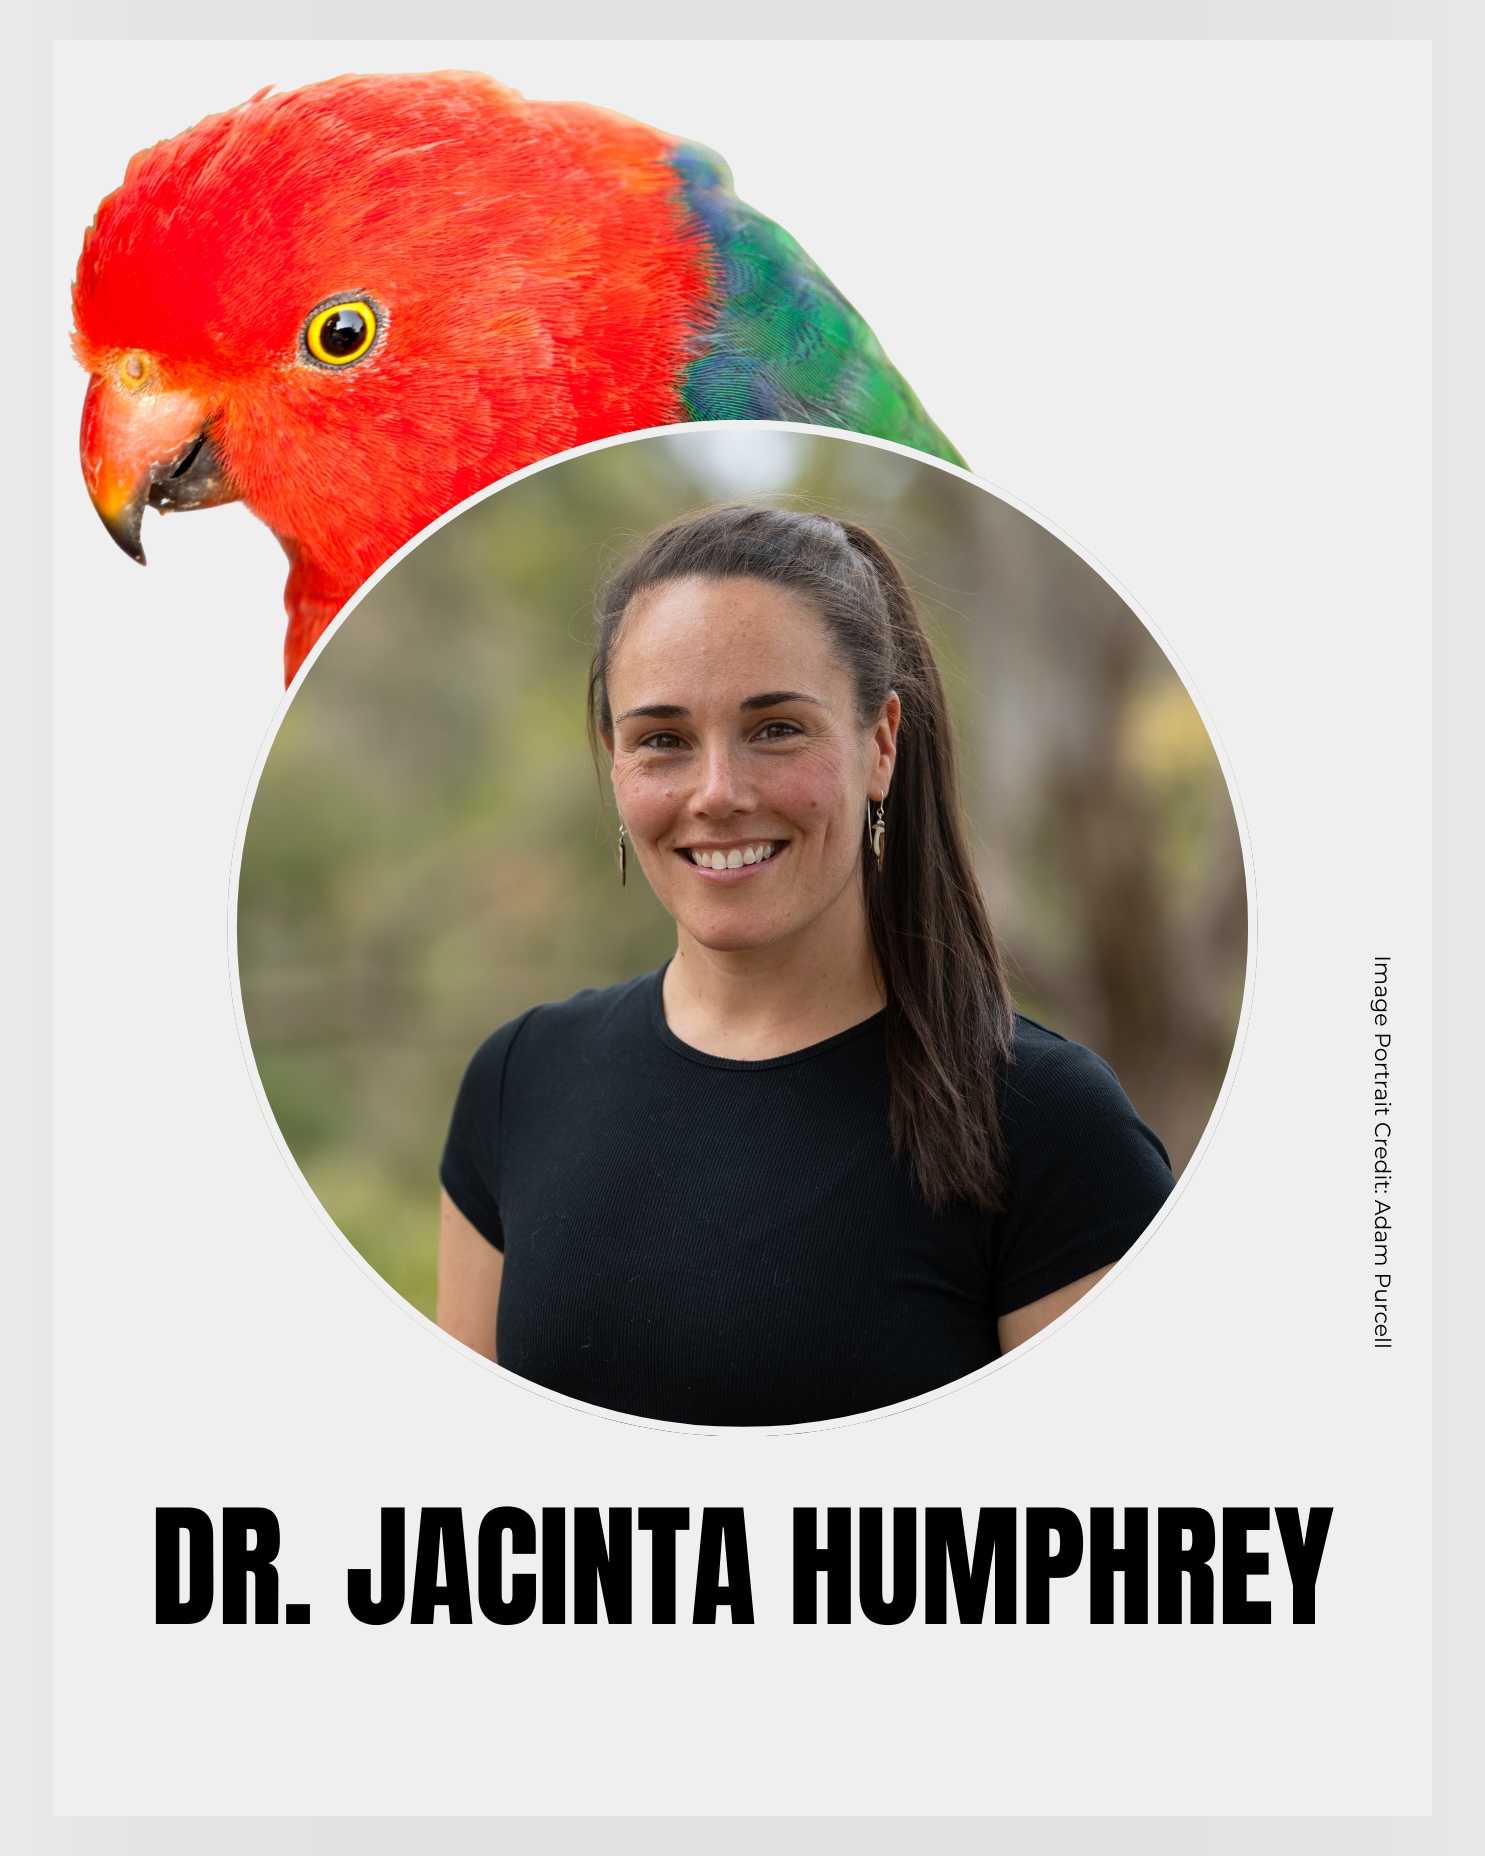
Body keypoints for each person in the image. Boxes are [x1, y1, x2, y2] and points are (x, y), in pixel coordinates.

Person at [437, 504, 1173, 1425]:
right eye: (662, 739)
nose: (717, 793)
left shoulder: (1053, 1127)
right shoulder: (518, 1081)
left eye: (776, 729)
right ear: (615, 762)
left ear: (881, 745)